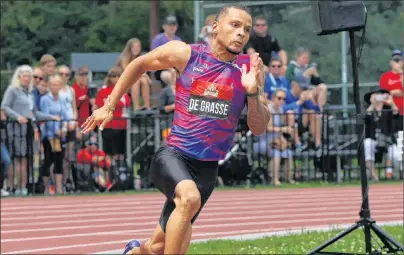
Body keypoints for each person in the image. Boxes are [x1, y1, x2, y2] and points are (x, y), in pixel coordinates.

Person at [81, 4, 270, 255]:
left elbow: (258, 127)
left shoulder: (250, 69)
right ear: (215, 27)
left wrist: (253, 92)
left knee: (158, 247)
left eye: (246, 29)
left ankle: (133, 252)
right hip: (174, 156)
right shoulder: (186, 54)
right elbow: (139, 63)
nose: (241, 34)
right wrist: (109, 105)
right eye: (234, 25)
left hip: (207, 169)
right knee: (189, 199)